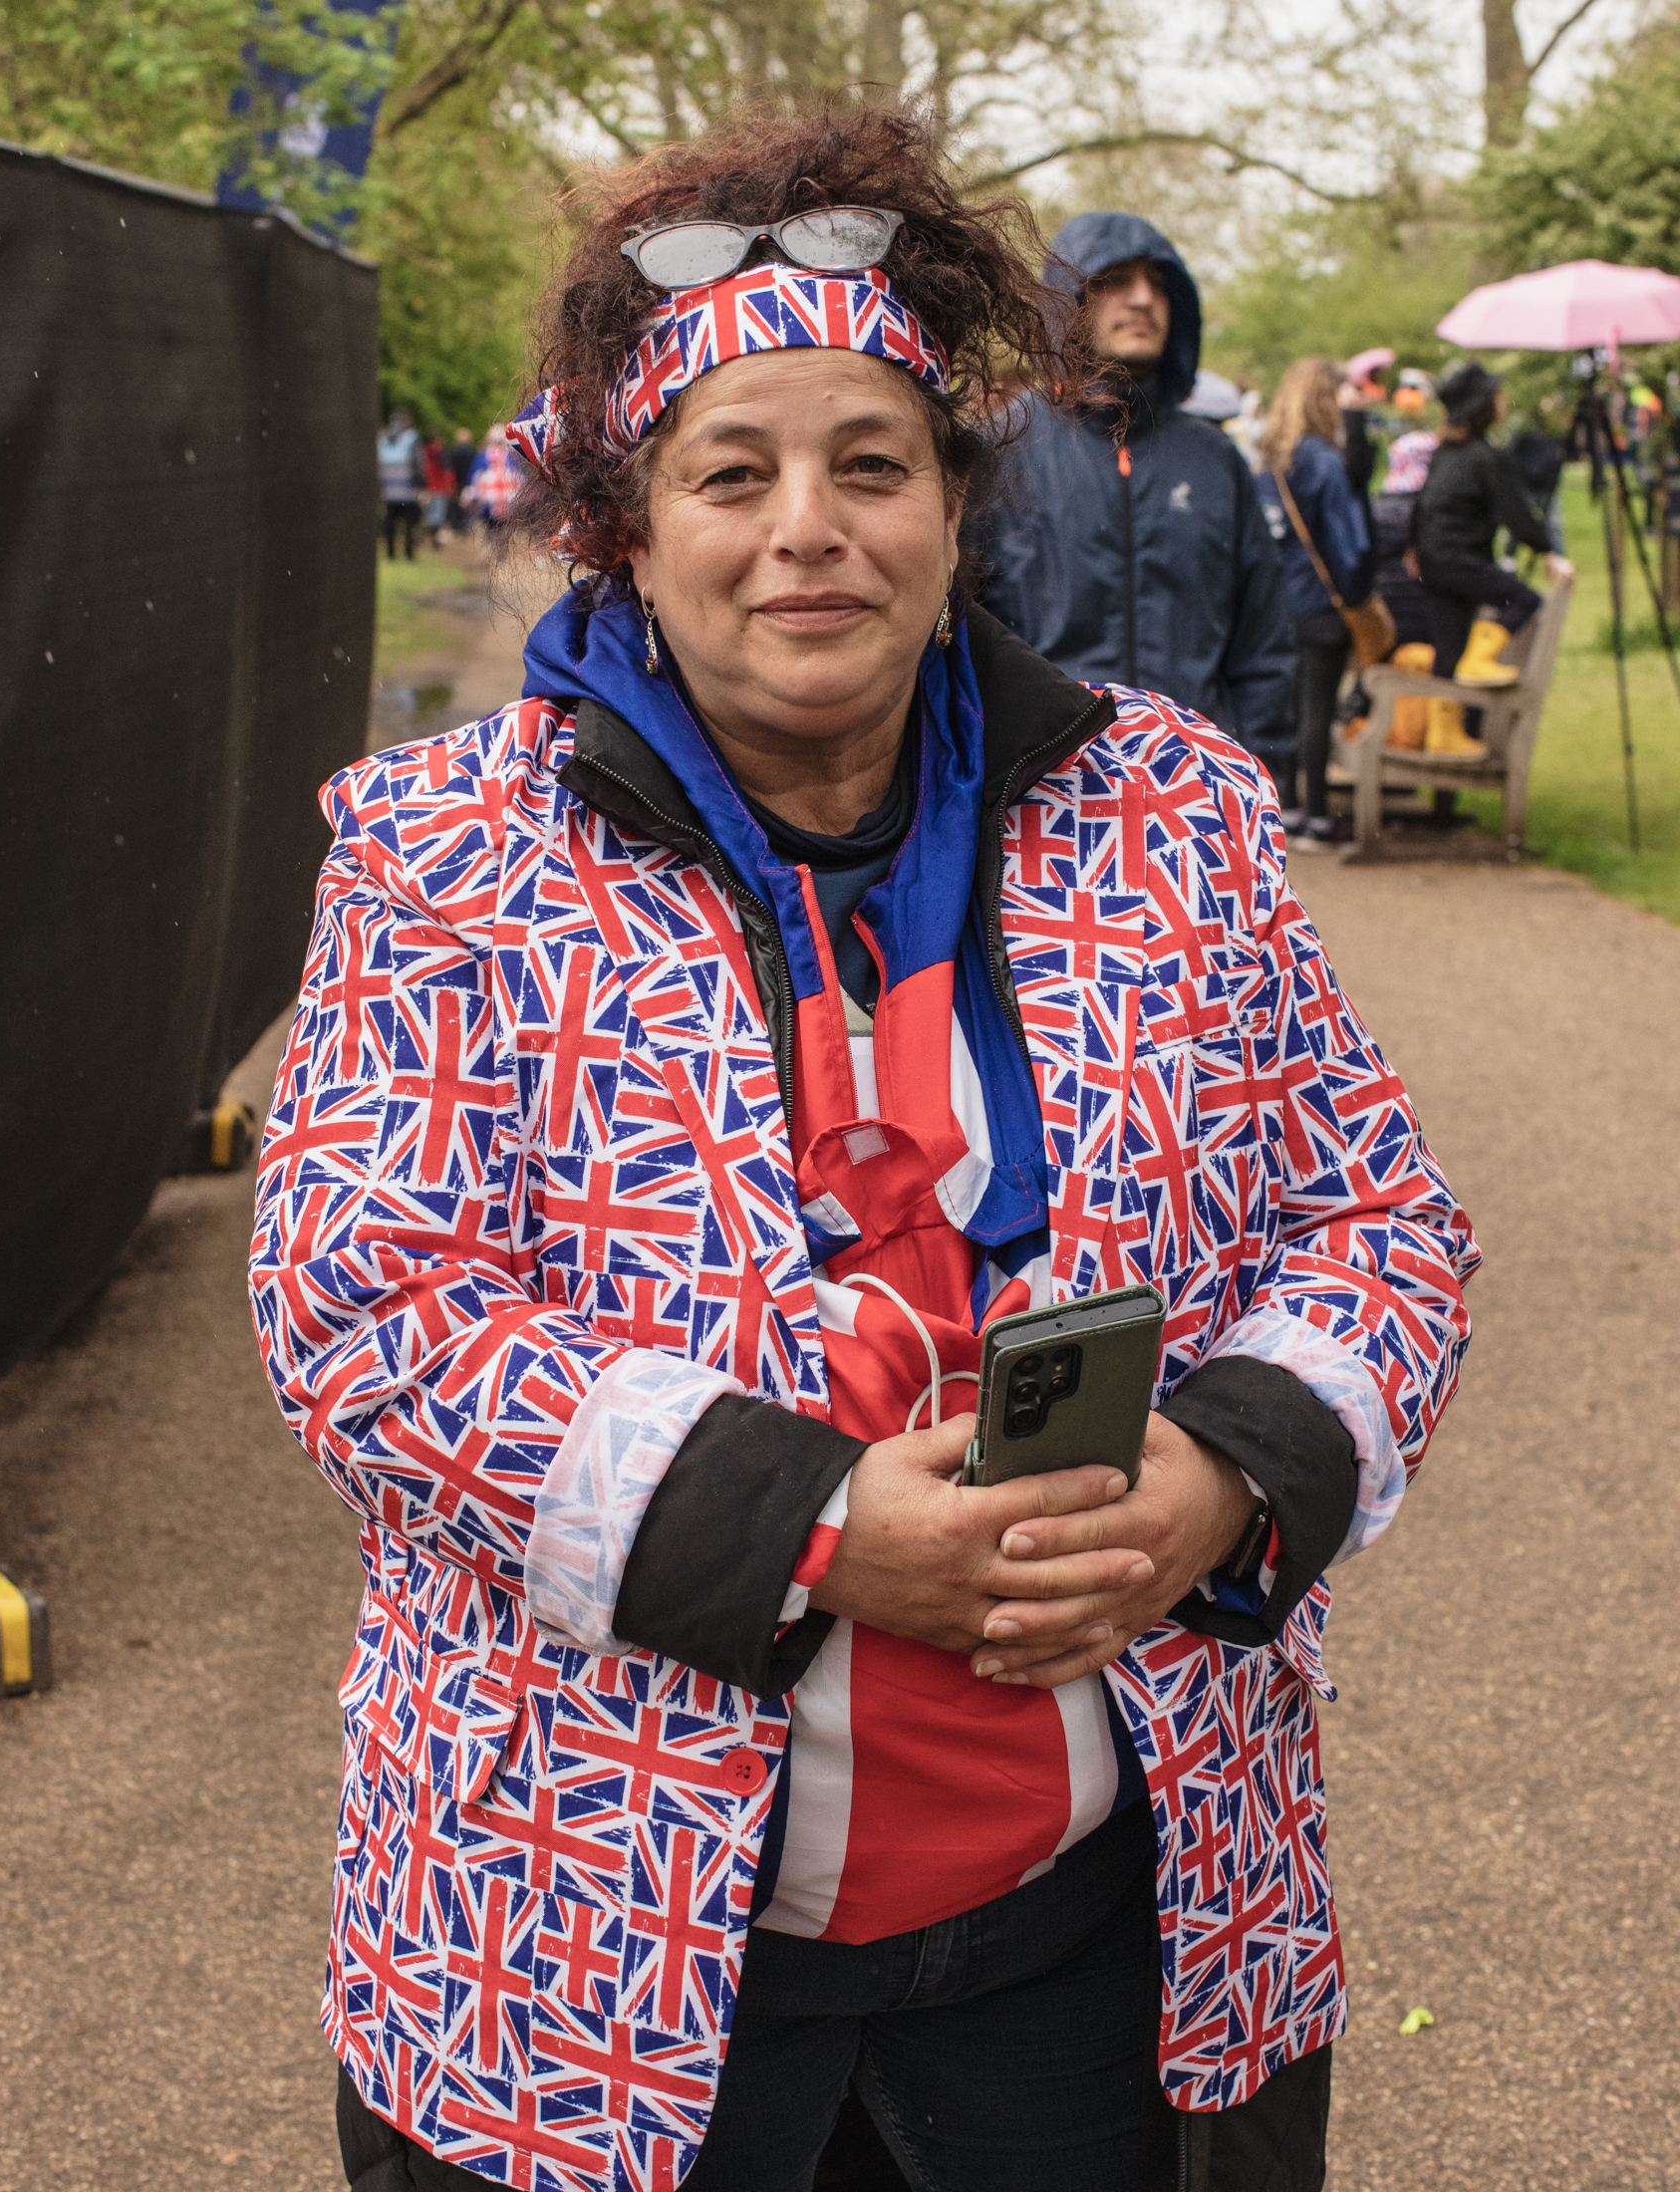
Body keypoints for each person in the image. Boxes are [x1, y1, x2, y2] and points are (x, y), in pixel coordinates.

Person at [251, 102, 1478, 2192]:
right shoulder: (447, 856)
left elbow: (1381, 1218)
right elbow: (363, 1308)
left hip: (1104, 1953)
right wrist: (818, 1523)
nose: (804, 525)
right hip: (594, 1967)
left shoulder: (1165, 809)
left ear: (949, 511)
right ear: (629, 526)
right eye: (732, 471)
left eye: (871, 464)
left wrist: (1228, 1471)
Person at [982, 213, 1296, 796]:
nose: (1144, 298)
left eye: (1159, 282)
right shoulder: (1002, 447)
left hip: (1198, 793)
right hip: (1041, 796)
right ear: (1066, 300)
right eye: (1115, 280)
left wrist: (1262, 777)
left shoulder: (1214, 459)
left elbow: (1263, 641)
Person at [1255, 359, 1376, 846]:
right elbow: (1350, 540)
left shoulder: (1268, 460)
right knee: (1316, 707)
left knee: (1286, 706)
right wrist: (1356, 592)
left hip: (1277, 602)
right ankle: (1318, 812)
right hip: (1319, 600)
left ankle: (1283, 806)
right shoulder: (1324, 460)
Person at [1411, 362, 1573, 694]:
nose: (1504, 400)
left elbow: (1422, 503)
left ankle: (1444, 734)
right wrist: (1548, 551)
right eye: (1498, 395)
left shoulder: (1445, 452)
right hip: (1460, 558)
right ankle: (1479, 659)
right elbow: (1515, 512)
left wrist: (1413, 547)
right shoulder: (1485, 457)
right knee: (1523, 599)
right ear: (1483, 406)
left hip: (1432, 560)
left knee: (1449, 645)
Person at [458, 420, 524, 535]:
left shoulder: (483, 456)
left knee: (491, 528)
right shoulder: (511, 456)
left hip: (489, 502)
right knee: (502, 530)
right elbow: (520, 477)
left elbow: (473, 477)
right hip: (505, 501)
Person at [378, 408, 422, 560]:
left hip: (388, 489)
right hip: (408, 489)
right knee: (410, 523)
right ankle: (409, 553)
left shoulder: (383, 437)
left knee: (390, 522)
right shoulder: (412, 438)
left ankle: (390, 554)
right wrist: (422, 486)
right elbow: (419, 464)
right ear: (407, 422)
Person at [444, 425, 477, 536]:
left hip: (456, 480)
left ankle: (455, 525)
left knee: (455, 503)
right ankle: (464, 526)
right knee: (467, 503)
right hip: (468, 480)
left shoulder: (453, 451)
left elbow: (450, 467)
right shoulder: (472, 451)